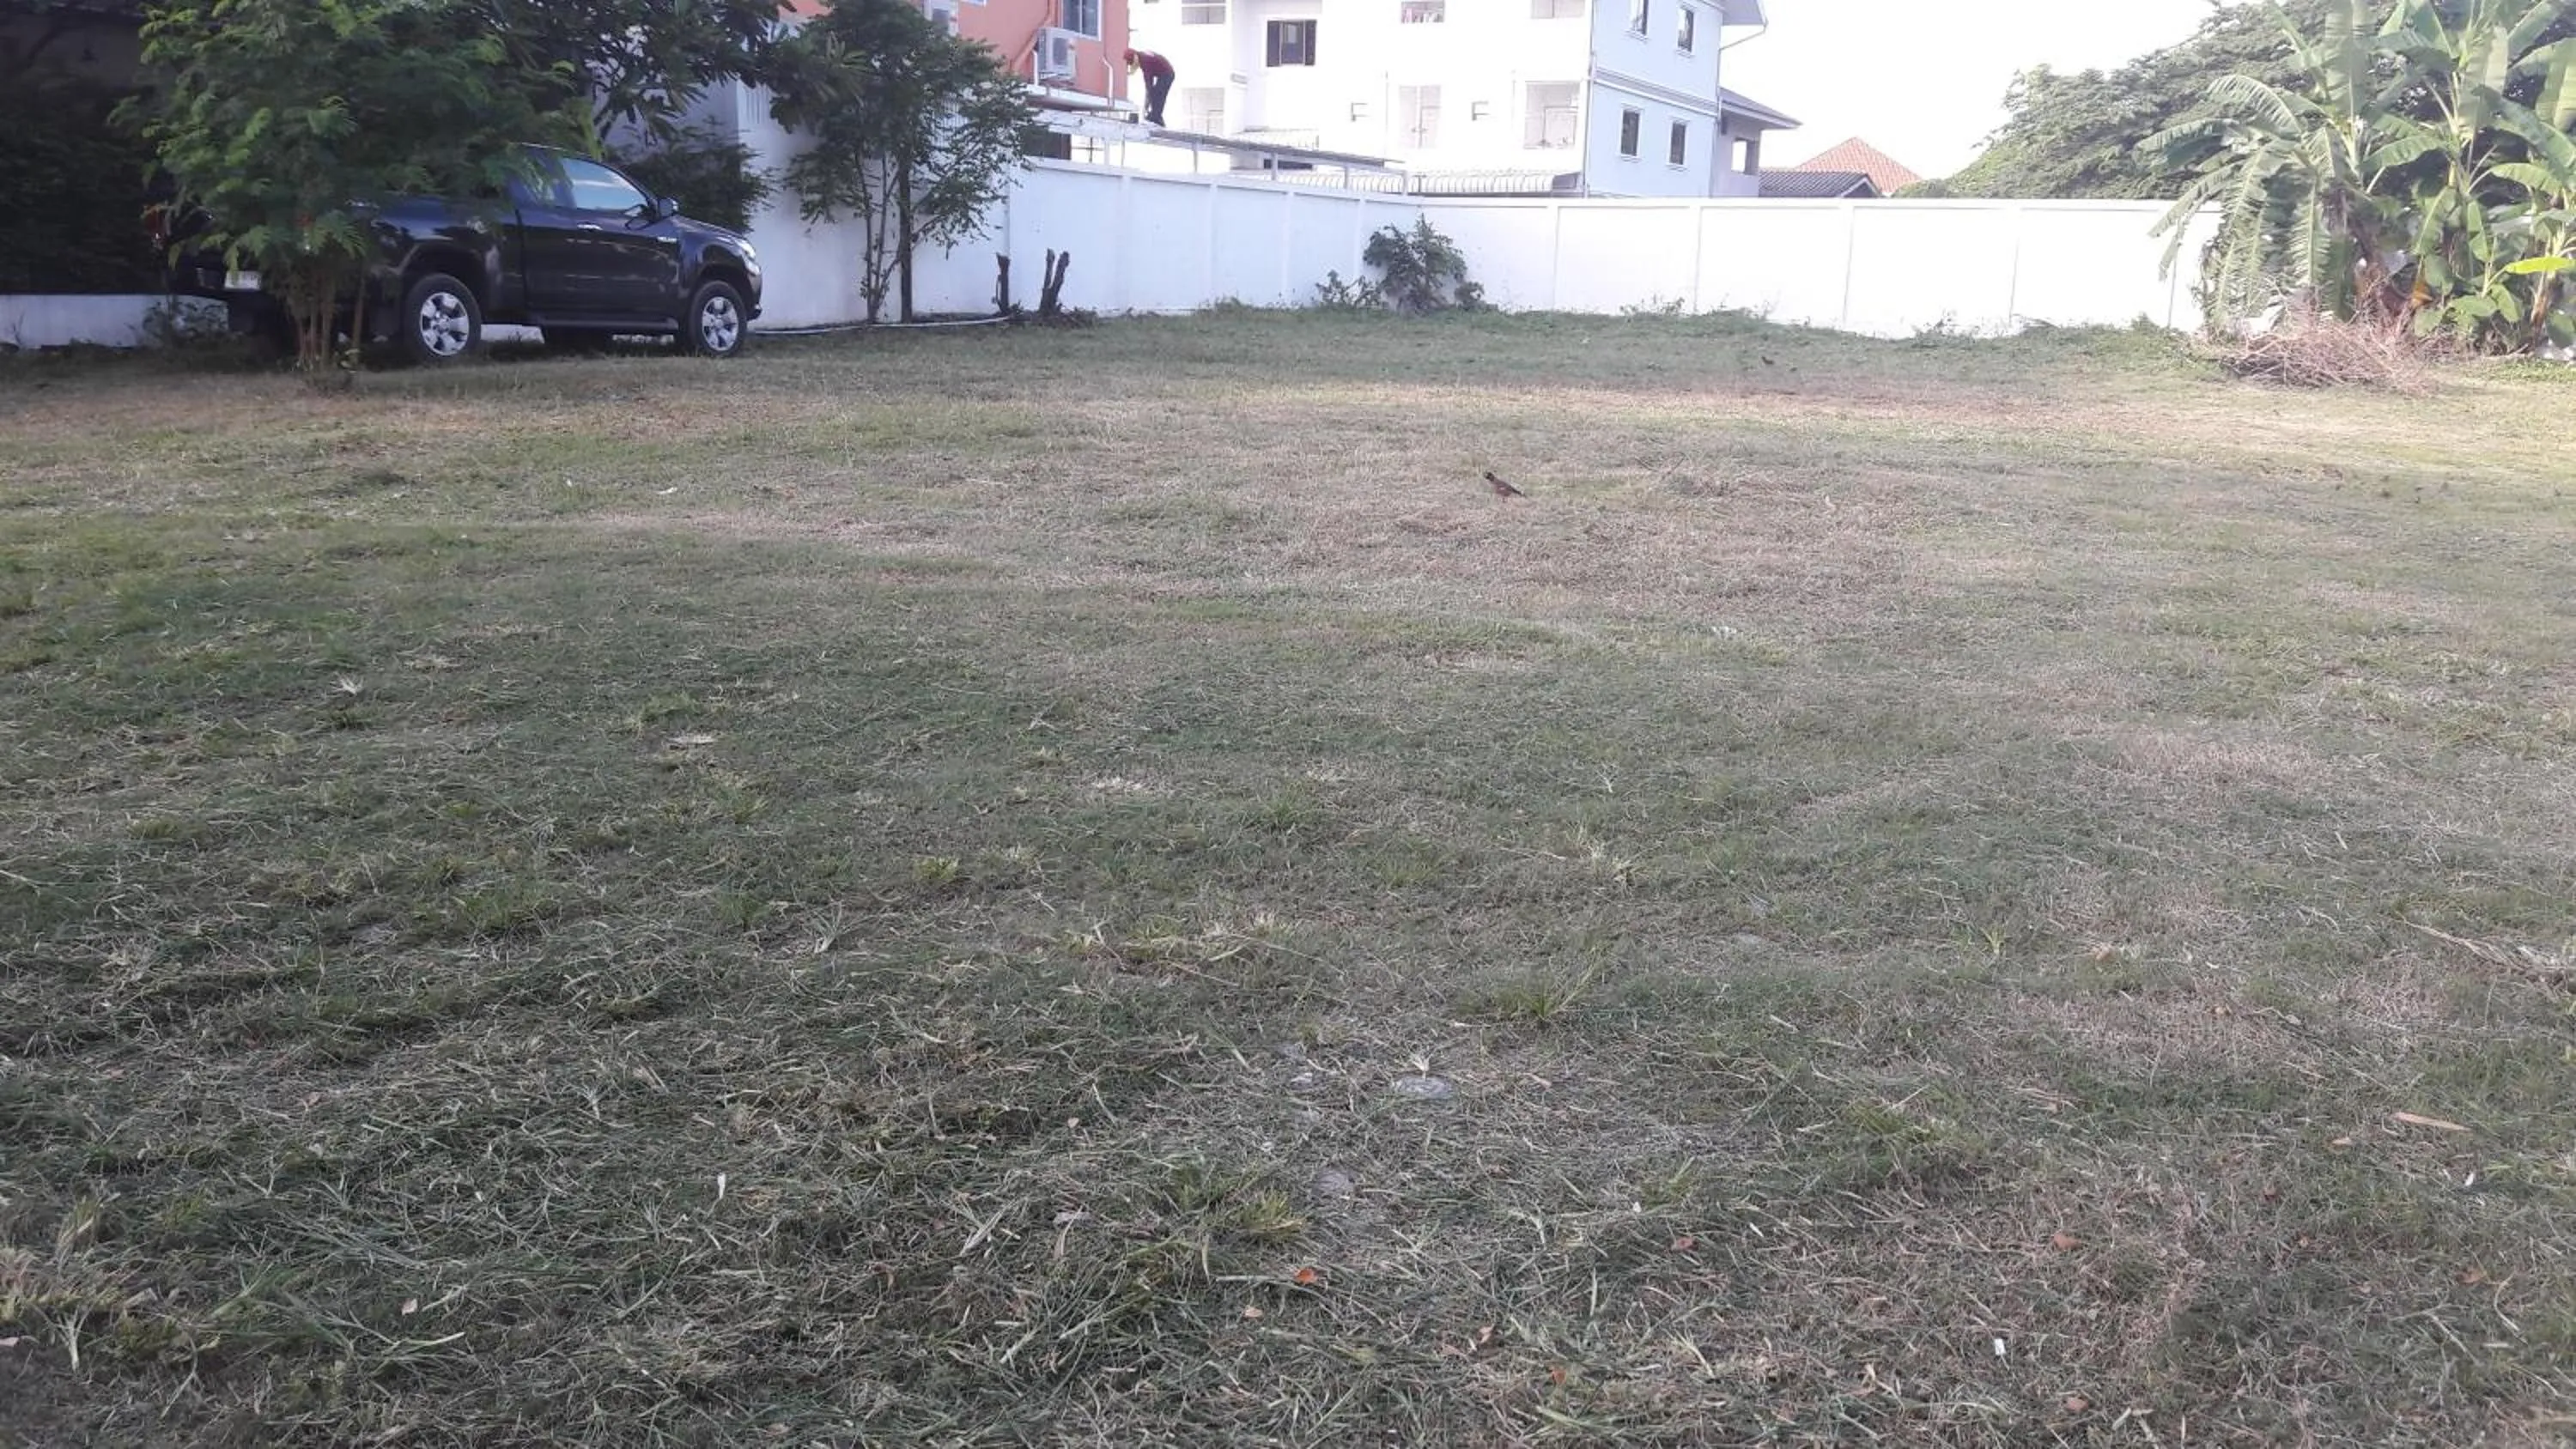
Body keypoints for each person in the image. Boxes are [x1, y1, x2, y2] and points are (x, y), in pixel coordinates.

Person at [1125, 47, 1176, 126]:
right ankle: (1157, 118)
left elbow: (1149, 85)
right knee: (1155, 96)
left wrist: (1146, 105)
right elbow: (1149, 86)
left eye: (1132, 63)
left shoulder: (1145, 62)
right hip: (1164, 74)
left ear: (1134, 58)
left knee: (1158, 95)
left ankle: (1155, 118)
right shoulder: (1142, 56)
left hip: (1167, 74)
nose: (1134, 66)